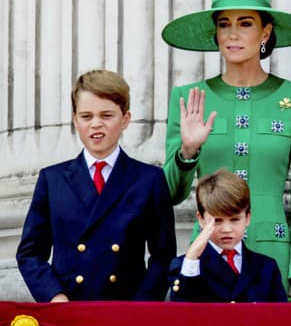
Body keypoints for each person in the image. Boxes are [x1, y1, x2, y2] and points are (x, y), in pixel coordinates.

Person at [161, 0, 291, 302]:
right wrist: (188, 151)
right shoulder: (190, 99)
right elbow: (171, 195)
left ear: (265, 32)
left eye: (245, 23)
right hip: (206, 257)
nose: (233, 34)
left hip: (273, 256)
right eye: (224, 24)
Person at [16, 69, 176, 301]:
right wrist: (55, 297)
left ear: (125, 119)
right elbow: (30, 253)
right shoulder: (53, 180)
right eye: (87, 116)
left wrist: (142, 306)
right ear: (75, 120)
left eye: (106, 115)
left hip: (126, 311)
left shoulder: (149, 179)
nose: (96, 124)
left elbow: (163, 256)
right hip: (69, 308)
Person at [168, 169, 287, 302]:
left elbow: (280, 318)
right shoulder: (186, 265)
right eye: (217, 220)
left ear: (248, 217)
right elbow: (181, 314)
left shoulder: (266, 267)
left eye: (235, 219)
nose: (226, 229)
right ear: (201, 219)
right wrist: (191, 259)